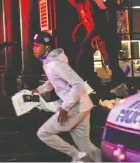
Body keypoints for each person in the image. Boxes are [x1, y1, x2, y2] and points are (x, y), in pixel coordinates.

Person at [32, 31, 101, 162]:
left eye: (37, 45)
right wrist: (39, 90)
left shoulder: (55, 64)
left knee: (44, 133)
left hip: (75, 107)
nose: (33, 48)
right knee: (86, 146)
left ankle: (76, 156)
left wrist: (65, 107)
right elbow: (54, 81)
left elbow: (78, 83)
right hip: (83, 105)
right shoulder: (50, 62)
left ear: (47, 47)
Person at [63, 0, 128, 98]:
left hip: (102, 38)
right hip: (94, 38)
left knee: (111, 64)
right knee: (82, 61)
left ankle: (124, 86)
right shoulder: (80, 6)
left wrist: (86, 40)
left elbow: (96, 25)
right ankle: (95, 86)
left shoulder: (88, 4)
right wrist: (76, 30)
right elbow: (85, 20)